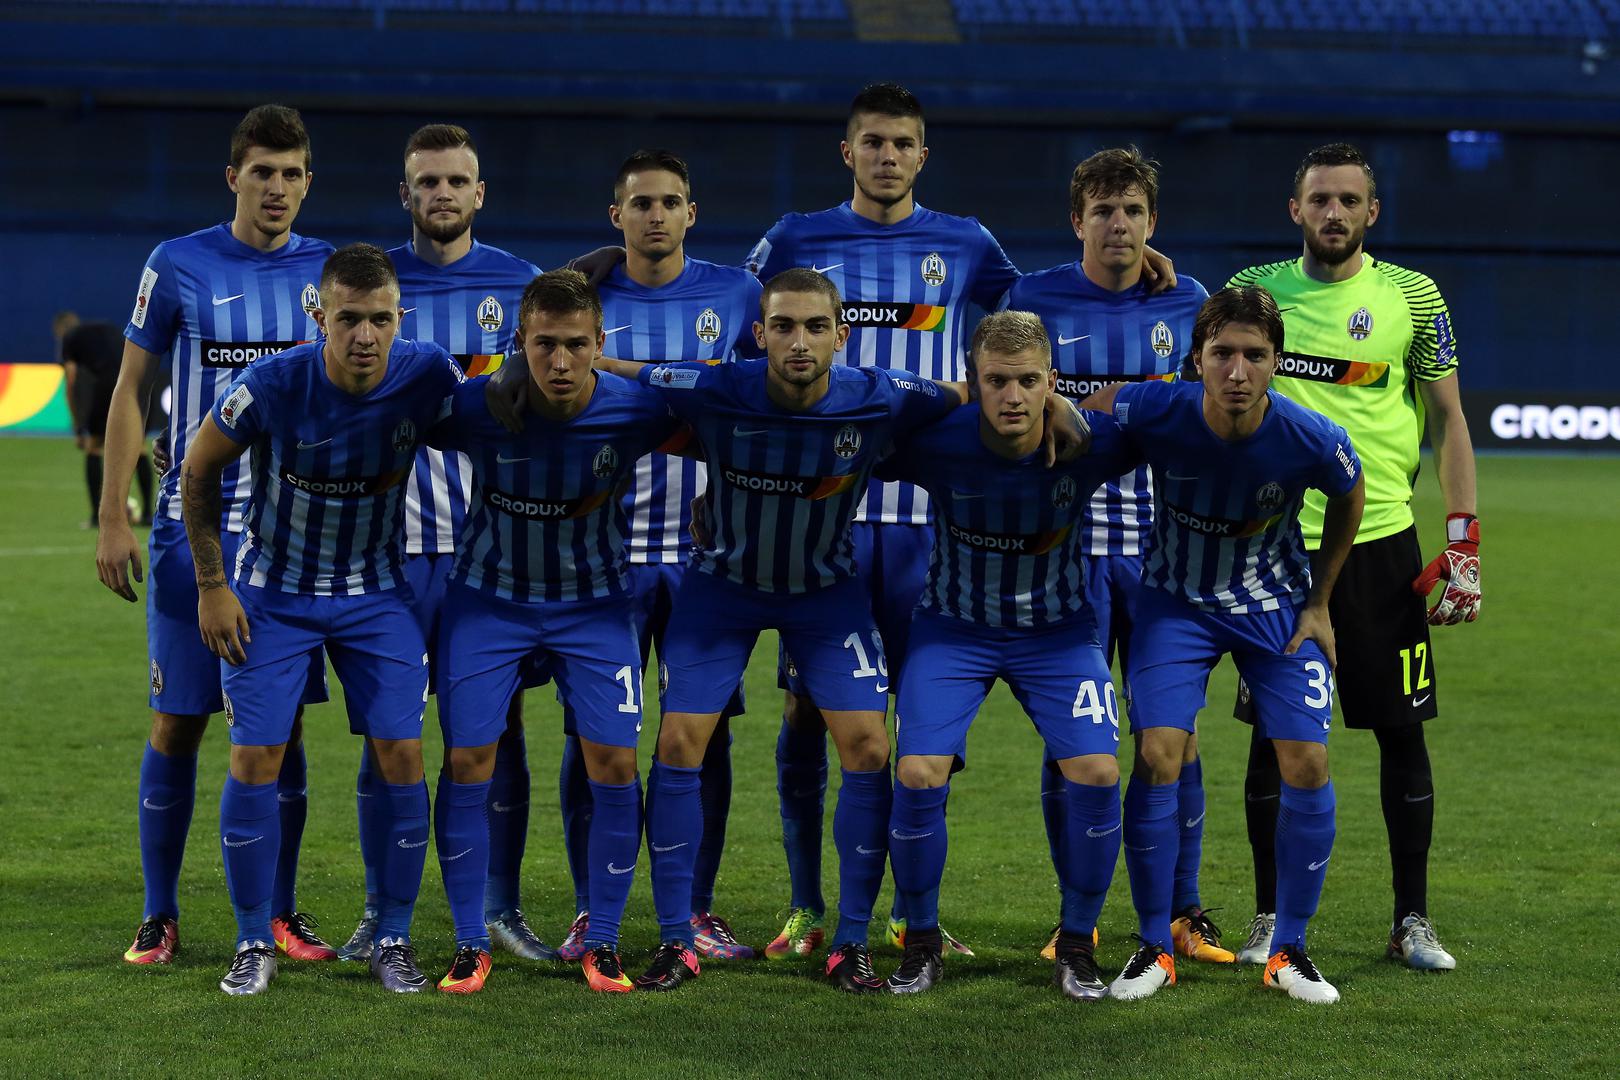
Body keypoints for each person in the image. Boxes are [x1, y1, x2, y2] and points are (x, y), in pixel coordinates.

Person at [746, 84, 1178, 957]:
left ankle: (911, 914)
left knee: (915, 736)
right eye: (873, 142)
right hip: (826, 515)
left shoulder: (966, 242)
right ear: (848, 152)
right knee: (806, 714)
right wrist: (605, 266)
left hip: (926, 521)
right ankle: (807, 906)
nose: (887, 157)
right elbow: (727, 309)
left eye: (902, 143)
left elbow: (1033, 316)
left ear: (922, 154)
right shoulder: (795, 238)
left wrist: (1135, 263)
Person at [587, 269, 1091, 993]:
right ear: (759, 335)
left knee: (869, 747)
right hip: (721, 592)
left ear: (841, 336)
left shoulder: (881, 394)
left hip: (825, 595)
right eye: (784, 326)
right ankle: (676, 938)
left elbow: (964, 392)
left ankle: (850, 940)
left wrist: (1059, 401)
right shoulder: (715, 386)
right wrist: (565, 355)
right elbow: (619, 368)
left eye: (815, 327)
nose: (800, 341)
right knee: (677, 743)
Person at [180, 243, 464, 996]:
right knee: (256, 759)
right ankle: (253, 939)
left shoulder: (429, 374)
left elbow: (498, 432)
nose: (365, 336)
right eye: (349, 319)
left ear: (400, 317)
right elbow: (198, 469)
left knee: (403, 753)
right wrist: (212, 584)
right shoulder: (270, 385)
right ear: (319, 316)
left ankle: (393, 935)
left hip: (378, 596)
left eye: (381, 320)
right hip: (272, 595)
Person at [94, 104, 336, 968]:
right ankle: (159, 914)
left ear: (308, 182)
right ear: (234, 177)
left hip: (291, 541)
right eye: (262, 172)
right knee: (177, 723)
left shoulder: (328, 274)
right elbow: (131, 389)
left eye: (292, 173)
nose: (277, 188)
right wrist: (112, 514)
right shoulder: (178, 263)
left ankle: (282, 912)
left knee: (282, 731)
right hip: (188, 531)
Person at [1227, 143, 1478, 971]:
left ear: (1372, 211)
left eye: (1348, 200)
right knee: (1274, 737)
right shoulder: (1256, 294)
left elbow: (1449, 420)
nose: (1332, 212)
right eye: (1319, 199)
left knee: (1401, 732)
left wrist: (1463, 539)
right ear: (1294, 209)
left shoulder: (1414, 296)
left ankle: (1412, 921)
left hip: (1382, 546)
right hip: (1276, 548)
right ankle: (1269, 917)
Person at [1084, 286, 1365, 1004]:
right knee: (1157, 753)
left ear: (1277, 363)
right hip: (1175, 606)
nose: (1238, 371)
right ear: (1197, 360)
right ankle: (1154, 945)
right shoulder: (1159, 408)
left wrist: (1321, 602)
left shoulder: (1308, 436)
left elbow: (1351, 492)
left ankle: (1289, 950)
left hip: (1276, 611)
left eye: (1255, 356)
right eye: (1222, 354)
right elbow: (1099, 406)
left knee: (1307, 761)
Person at [430, 269, 685, 993]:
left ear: (601, 342)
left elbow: (724, 434)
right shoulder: (476, 406)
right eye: (544, 345)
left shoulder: (638, 408)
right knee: (468, 760)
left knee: (614, 764)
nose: (561, 361)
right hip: (488, 603)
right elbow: (386, 421)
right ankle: (469, 942)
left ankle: (602, 942)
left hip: (596, 608)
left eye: (576, 344)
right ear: (521, 342)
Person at [1003, 147, 1226, 964]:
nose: (1118, 225)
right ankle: (1078, 916)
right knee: (1076, 738)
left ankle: (1184, 911)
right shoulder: (1031, 300)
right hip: (1068, 554)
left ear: (1152, 221)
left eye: (1132, 211)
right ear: (1077, 221)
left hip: (1168, 557)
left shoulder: (1190, 303)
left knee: (1176, 736)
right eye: (1103, 211)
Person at [877, 311, 1139, 1000]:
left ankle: (1077, 946)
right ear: (973, 381)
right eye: (996, 381)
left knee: (1098, 771)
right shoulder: (937, 440)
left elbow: (1171, 415)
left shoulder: (1094, 443)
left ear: (1052, 380)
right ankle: (921, 944)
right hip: (952, 631)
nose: (1013, 396)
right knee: (918, 772)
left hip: (1059, 634)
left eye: (1028, 381)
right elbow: (843, 441)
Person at [338, 123, 549, 966]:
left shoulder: (521, 285)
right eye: (427, 182)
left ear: (479, 193)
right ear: (406, 194)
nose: (442, 194)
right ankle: (379, 909)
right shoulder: (373, 287)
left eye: (457, 181)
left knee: (502, 731)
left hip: (489, 556)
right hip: (386, 557)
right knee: (385, 733)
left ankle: (501, 907)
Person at [552, 150, 763, 962]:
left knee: (704, 736)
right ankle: (588, 908)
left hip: (708, 561)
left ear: (691, 213)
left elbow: (761, 401)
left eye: (670, 202)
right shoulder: (585, 297)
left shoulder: (736, 294)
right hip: (603, 560)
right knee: (590, 737)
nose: (656, 215)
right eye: (641, 203)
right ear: (618, 217)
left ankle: (697, 907)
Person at [56, 311, 156, 528]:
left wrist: (78, 427)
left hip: (109, 385)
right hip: (138, 382)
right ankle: (148, 514)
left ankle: (96, 516)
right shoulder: (108, 327)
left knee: (93, 447)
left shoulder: (70, 337)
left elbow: (71, 380)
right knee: (139, 447)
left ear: (60, 330)